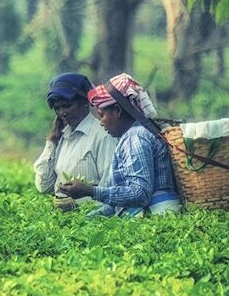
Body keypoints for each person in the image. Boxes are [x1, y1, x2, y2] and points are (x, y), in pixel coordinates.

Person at [59, 73, 181, 216]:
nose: (101, 122)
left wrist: (90, 191)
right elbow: (123, 201)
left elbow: (140, 194)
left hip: (157, 215)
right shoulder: (131, 136)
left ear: (117, 111)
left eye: (102, 115)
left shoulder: (136, 137)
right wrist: (89, 218)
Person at [33, 73, 117, 212]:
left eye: (67, 106)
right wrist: (51, 141)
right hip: (62, 220)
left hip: (89, 221)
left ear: (85, 102)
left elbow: (109, 190)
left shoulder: (102, 136)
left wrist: (78, 206)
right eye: (57, 108)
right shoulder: (62, 136)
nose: (62, 113)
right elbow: (44, 186)